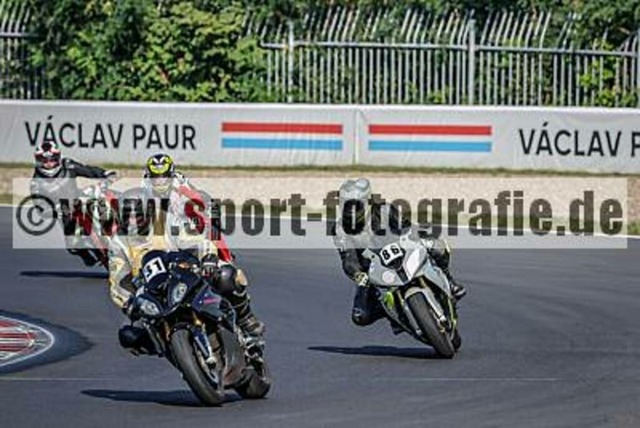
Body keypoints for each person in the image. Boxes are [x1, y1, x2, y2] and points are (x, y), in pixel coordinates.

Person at [108, 187, 264, 354]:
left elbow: (196, 240)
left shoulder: (167, 221)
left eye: (137, 216)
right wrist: (128, 302)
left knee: (225, 275)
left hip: (184, 273)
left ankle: (245, 319)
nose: (132, 222)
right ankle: (175, 351)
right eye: (127, 217)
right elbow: (118, 279)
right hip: (151, 292)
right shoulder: (118, 242)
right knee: (129, 336)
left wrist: (207, 257)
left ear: (149, 213)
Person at [332, 178, 466, 328]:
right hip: (372, 271)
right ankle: (392, 312)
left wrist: (419, 239)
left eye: (355, 205)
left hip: (401, 251)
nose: (350, 210)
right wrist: (358, 275)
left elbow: (408, 227)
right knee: (360, 316)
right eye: (346, 205)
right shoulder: (339, 229)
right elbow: (348, 258)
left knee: (438, 246)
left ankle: (450, 281)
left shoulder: (385, 210)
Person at [30, 141, 117, 266]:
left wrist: (103, 173)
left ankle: (122, 226)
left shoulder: (67, 164)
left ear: (58, 157)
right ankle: (87, 255)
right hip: (63, 210)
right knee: (72, 245)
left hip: (79, 198)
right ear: (38, 161)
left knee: (106, 199)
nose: (49, 164)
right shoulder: (36, 183)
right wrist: (53, 210)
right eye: (44, 160)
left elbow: (86, 169)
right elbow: (40, 207)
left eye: (52, 159)